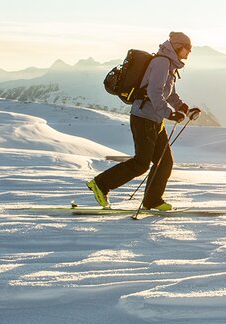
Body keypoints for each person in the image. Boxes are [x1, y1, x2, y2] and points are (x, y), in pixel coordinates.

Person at [86, 32, 201, 210]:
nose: (189, 52)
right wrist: (170, 114)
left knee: (164, 162)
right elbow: (154, 93)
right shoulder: (162, 63)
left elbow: (169, 94)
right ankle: (100, 184)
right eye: (188, 48)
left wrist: (184, 108)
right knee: (141, 163)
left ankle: (152, 201)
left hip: (154, 120)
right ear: (179, 47)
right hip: (143, 118)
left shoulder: (169, 65)